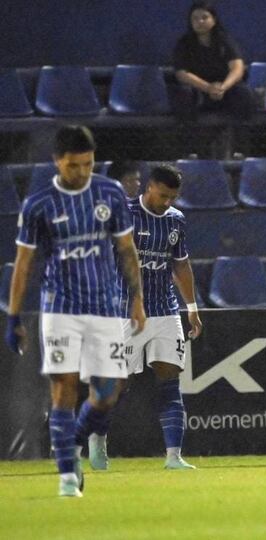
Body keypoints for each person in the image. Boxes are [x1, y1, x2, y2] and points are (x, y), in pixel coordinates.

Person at [4, 125, 146, 497]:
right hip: (60, 307)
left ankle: (70, 442)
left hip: (103, 305)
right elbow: (23, 263)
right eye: (73, 166)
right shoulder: (39, 204)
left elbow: (127, 249)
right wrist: (14, 316)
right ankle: (68, 475)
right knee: (64, 386)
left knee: (107, 393)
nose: (81, 172)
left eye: (87, 164)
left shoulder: (109, 193)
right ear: (57, 161)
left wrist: (137, 298)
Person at [82, 165, 202, 471]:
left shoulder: (176, 220)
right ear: (148, 187)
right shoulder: (123, 214)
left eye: (172, 197)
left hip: (165, 310)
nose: (167, 202)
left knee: (170, 380)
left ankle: (174, 457)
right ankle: (97, 441)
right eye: (163, 195)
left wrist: (192, 307)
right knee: (117, 384)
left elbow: (181, 265)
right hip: (123, 312)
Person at [171, 1, 254, 122]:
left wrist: (223, 87)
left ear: (214, 19)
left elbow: (237, 68)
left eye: (204, 17)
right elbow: (182, 74)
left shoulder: (225, 40)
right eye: (195, 18)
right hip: (198, 89)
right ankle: (189, 137)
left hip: (224, 89)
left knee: (242, 92)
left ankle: (239, 137)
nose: (200, 22)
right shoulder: (183, 44)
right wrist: (208, 87)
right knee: (183, 94)